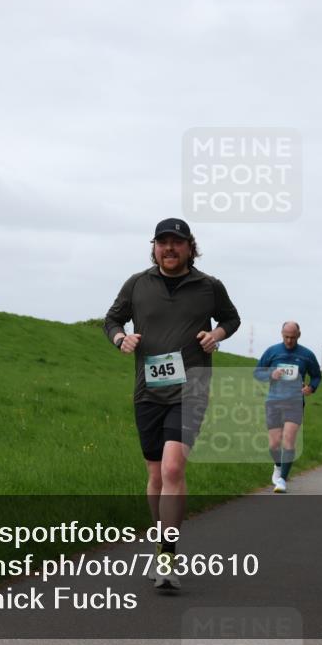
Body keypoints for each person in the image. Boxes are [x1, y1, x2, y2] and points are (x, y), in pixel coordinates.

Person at [104, 218, 240, 589]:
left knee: (173, 467)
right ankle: (161, 538)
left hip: (191, 388)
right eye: (162, 242)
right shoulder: (137, 284)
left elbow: (231, 318)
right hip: (147, 391)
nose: (169, 248)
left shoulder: (209, 286)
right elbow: (112, 319)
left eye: (176, 243)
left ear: (189, 247)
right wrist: (121, 339)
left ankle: (167, 554)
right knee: (154, 475)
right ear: (154, 247)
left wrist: (216, 334)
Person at [254, 322, 322, 493]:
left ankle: (283, 480)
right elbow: (257, 372)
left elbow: (316, 376)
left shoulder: (307, 355)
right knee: (274, 444)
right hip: (274, 401)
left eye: (292, 337)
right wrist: (271, 374)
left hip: (295, 402)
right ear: (281, 334)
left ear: (298, 335)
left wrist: (311, 388)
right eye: (286, 337)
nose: (289, 340)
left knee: (289, 440)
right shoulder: (272, 351)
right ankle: (278, 466)